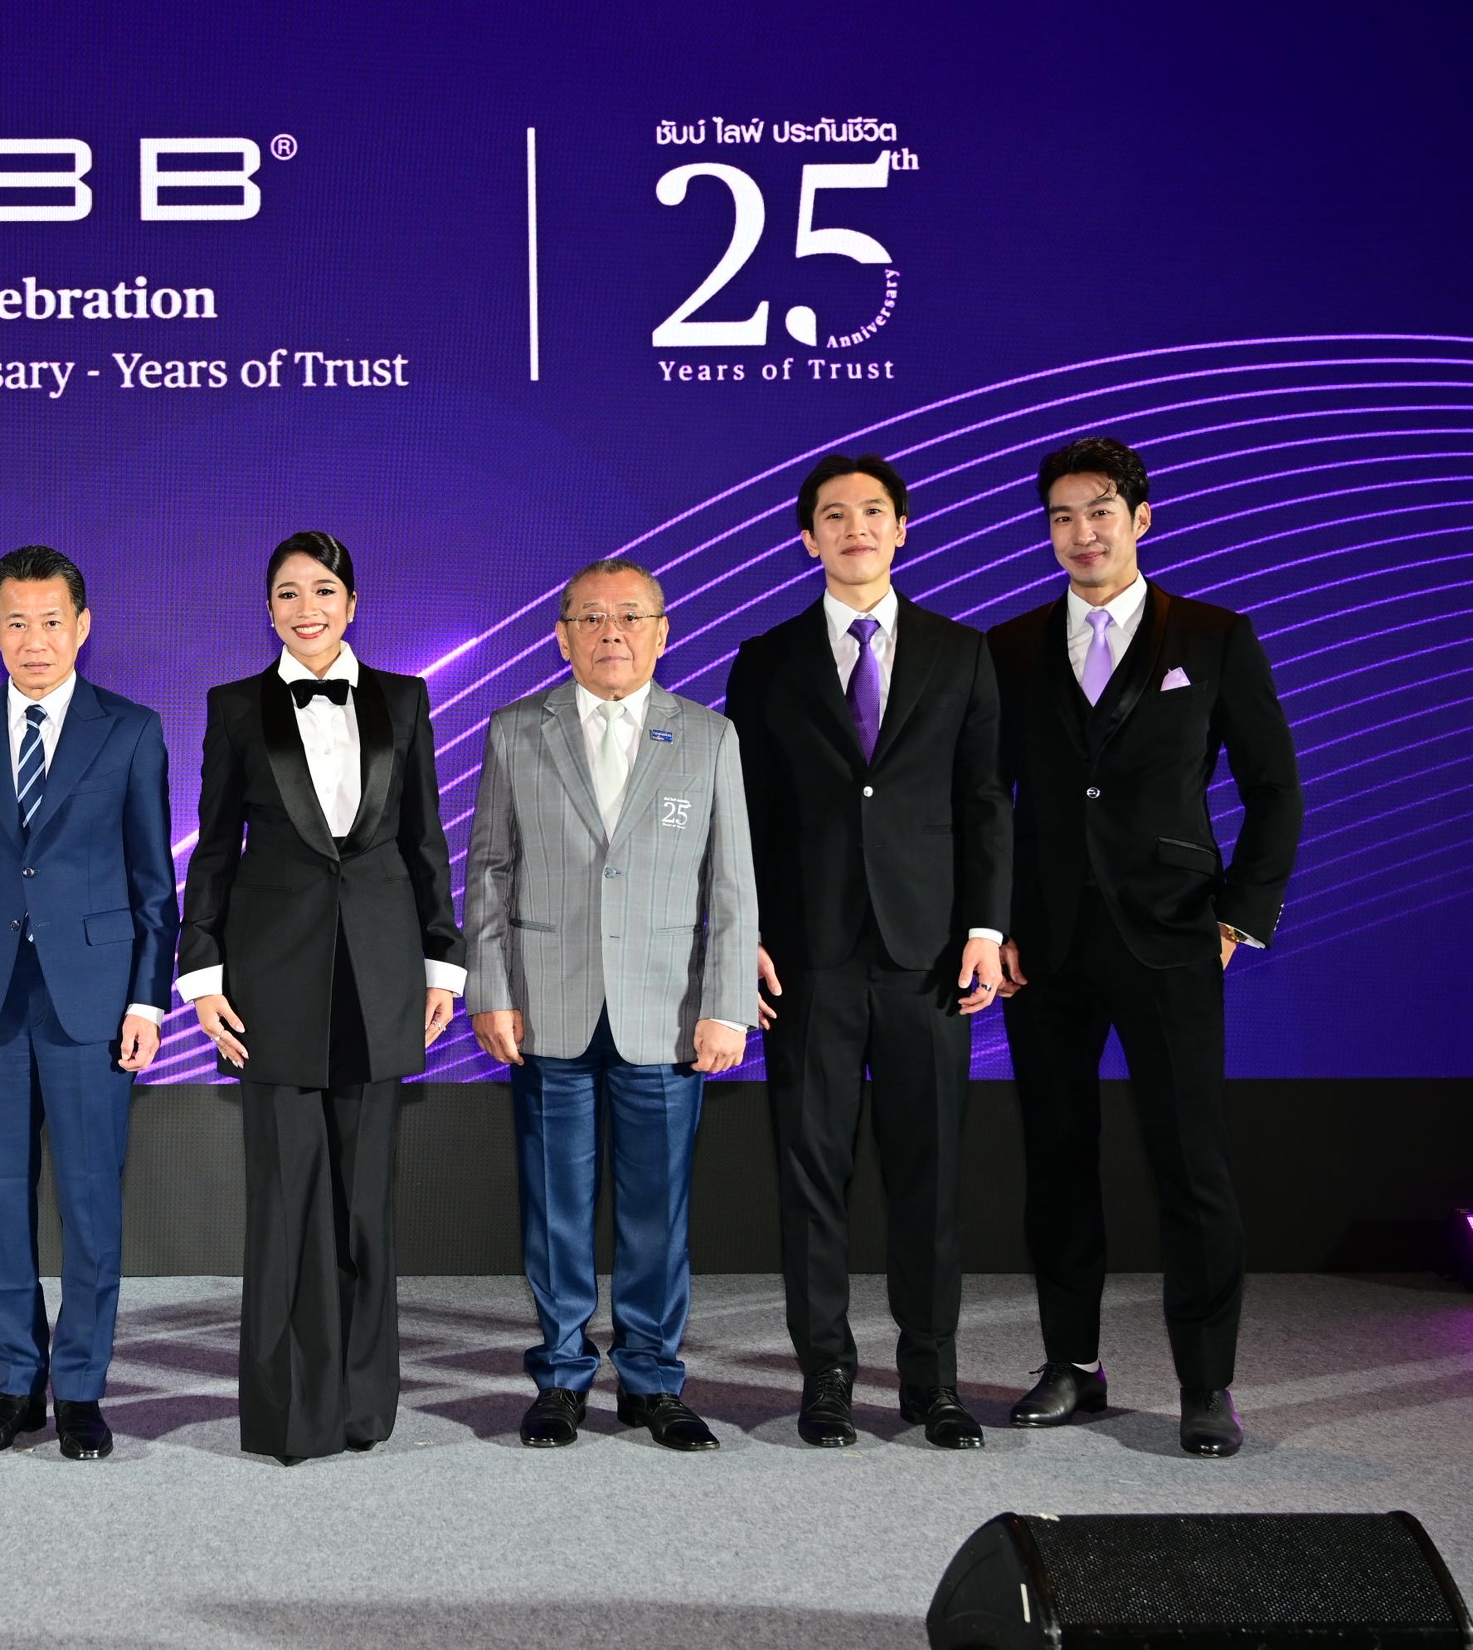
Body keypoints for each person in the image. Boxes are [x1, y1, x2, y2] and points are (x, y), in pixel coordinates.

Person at [988, 437, 1302, 1458]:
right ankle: (1070, 1364)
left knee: (1190, 1164)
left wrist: (1237, 917)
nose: (1082, 533)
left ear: (1141, 519)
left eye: (1100, 512)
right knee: (1057, 1158)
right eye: (1062, 516)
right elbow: (986, 800)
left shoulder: (1213, 635)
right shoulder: (1011, 646)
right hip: (1045, 945)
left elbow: (1275, 789)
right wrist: (994, 923)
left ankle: (1207, 1384)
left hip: (1172, 936)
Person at [725, 455, 1011, 1451]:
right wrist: (745, 934)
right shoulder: (765, 658)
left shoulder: (961, 652)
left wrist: (986, 929)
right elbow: (744, 810)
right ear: (808, 538)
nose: (856, 528)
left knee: (929, 1176)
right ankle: (829, 1376)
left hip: (929, 956)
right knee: (814, 1175)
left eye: (874, 512)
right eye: (835, 515)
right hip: (808, 956)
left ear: (902, 529)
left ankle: (933, 1379)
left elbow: (985, 799)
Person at [178, 532, 465, 1465]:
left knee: (366, 1207)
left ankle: (362, 1407)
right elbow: (214, 849)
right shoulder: (234, 707)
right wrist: (202, 973)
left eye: (324, 590)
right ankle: (289, 1414)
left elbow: (425, 840)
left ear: (353, 602)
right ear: (268, 610)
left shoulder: (404, 698)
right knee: (285, 1203)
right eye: (288, 593)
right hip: (271, 983)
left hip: (381, 976)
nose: (307, 608)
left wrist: (443, 963)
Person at [462, 558, 755, 1453]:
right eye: (590, 618)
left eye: (630, 616)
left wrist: (727, 1003)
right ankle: (560, 1375)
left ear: (663, 632)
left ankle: (653, 1379)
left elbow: (731, 885)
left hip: (666, 1014)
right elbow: (489, 870)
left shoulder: (708, 736)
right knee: (556, 1206)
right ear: (563, 637)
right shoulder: (518, 730)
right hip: (546, 1009)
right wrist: (491, 990)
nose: (611, 632)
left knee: (656, 1211)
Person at [0, 546, 176, 1462]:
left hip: (94, 1001)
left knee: (90, 1201)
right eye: (17, 623)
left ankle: (82, 1387)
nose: (35, 640)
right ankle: (17, 1382)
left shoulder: (131, 730)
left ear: (83, 626)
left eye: (52, 621)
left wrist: (147, 1002)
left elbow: (153, 883)